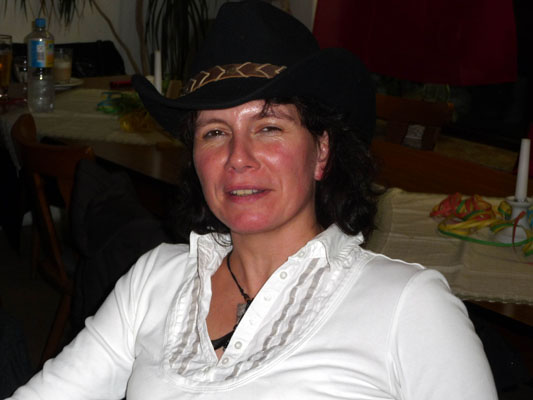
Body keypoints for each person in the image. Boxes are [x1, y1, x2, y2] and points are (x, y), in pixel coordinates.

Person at [7, 1, 497, 399]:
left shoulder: (410, 308)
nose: (238, 158)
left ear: (322, 150)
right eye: (215, 132)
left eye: (268, 127)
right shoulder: (154, 280)